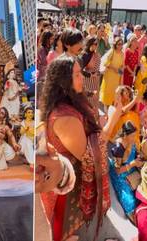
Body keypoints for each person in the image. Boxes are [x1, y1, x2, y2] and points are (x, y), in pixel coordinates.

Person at [38, 56, 123, 241]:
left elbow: (89, 131)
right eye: (77, 75)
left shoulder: (71, 102)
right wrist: (114, 118)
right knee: (63, 232)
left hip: (72, 182)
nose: (82, 78)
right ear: (63, 82)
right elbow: (90, 156)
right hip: (64, 188)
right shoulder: (63, 117)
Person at [109, 121, 143, 221]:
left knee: (142, 191)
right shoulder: (118, 148)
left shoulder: (131, 142)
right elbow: (117, 171)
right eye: (132, 136)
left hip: (131, 168)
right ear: (125, 135)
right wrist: (132, 164)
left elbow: (136, 154)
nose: (134, 138)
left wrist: (139, 158)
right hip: (121, 175)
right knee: (130, 202)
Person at [99, 37, 124, 114]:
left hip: (116, 77)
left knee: (114, 92)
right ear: (115, 45)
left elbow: (122, 64)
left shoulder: (122, 53)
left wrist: (121, 69)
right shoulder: (112, 52)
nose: (120, 46)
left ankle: (111, 109)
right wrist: (114, 68)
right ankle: (106, 110)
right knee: (107, 92)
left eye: (121, 44)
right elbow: (106, 62)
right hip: (109, 75)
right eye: (119, 44)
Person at [80, 37, 101, 114]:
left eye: (97, 44)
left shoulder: (96, 54)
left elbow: (98, 68)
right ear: (90, 44)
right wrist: (90, 75)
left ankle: (95, 117)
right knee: (89, 100)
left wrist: (97, 74)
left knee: (95, 100)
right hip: (88, 81)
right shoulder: (84, 55)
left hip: (95, 81)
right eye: (95, 44)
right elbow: (80, 70)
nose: (96, 46)